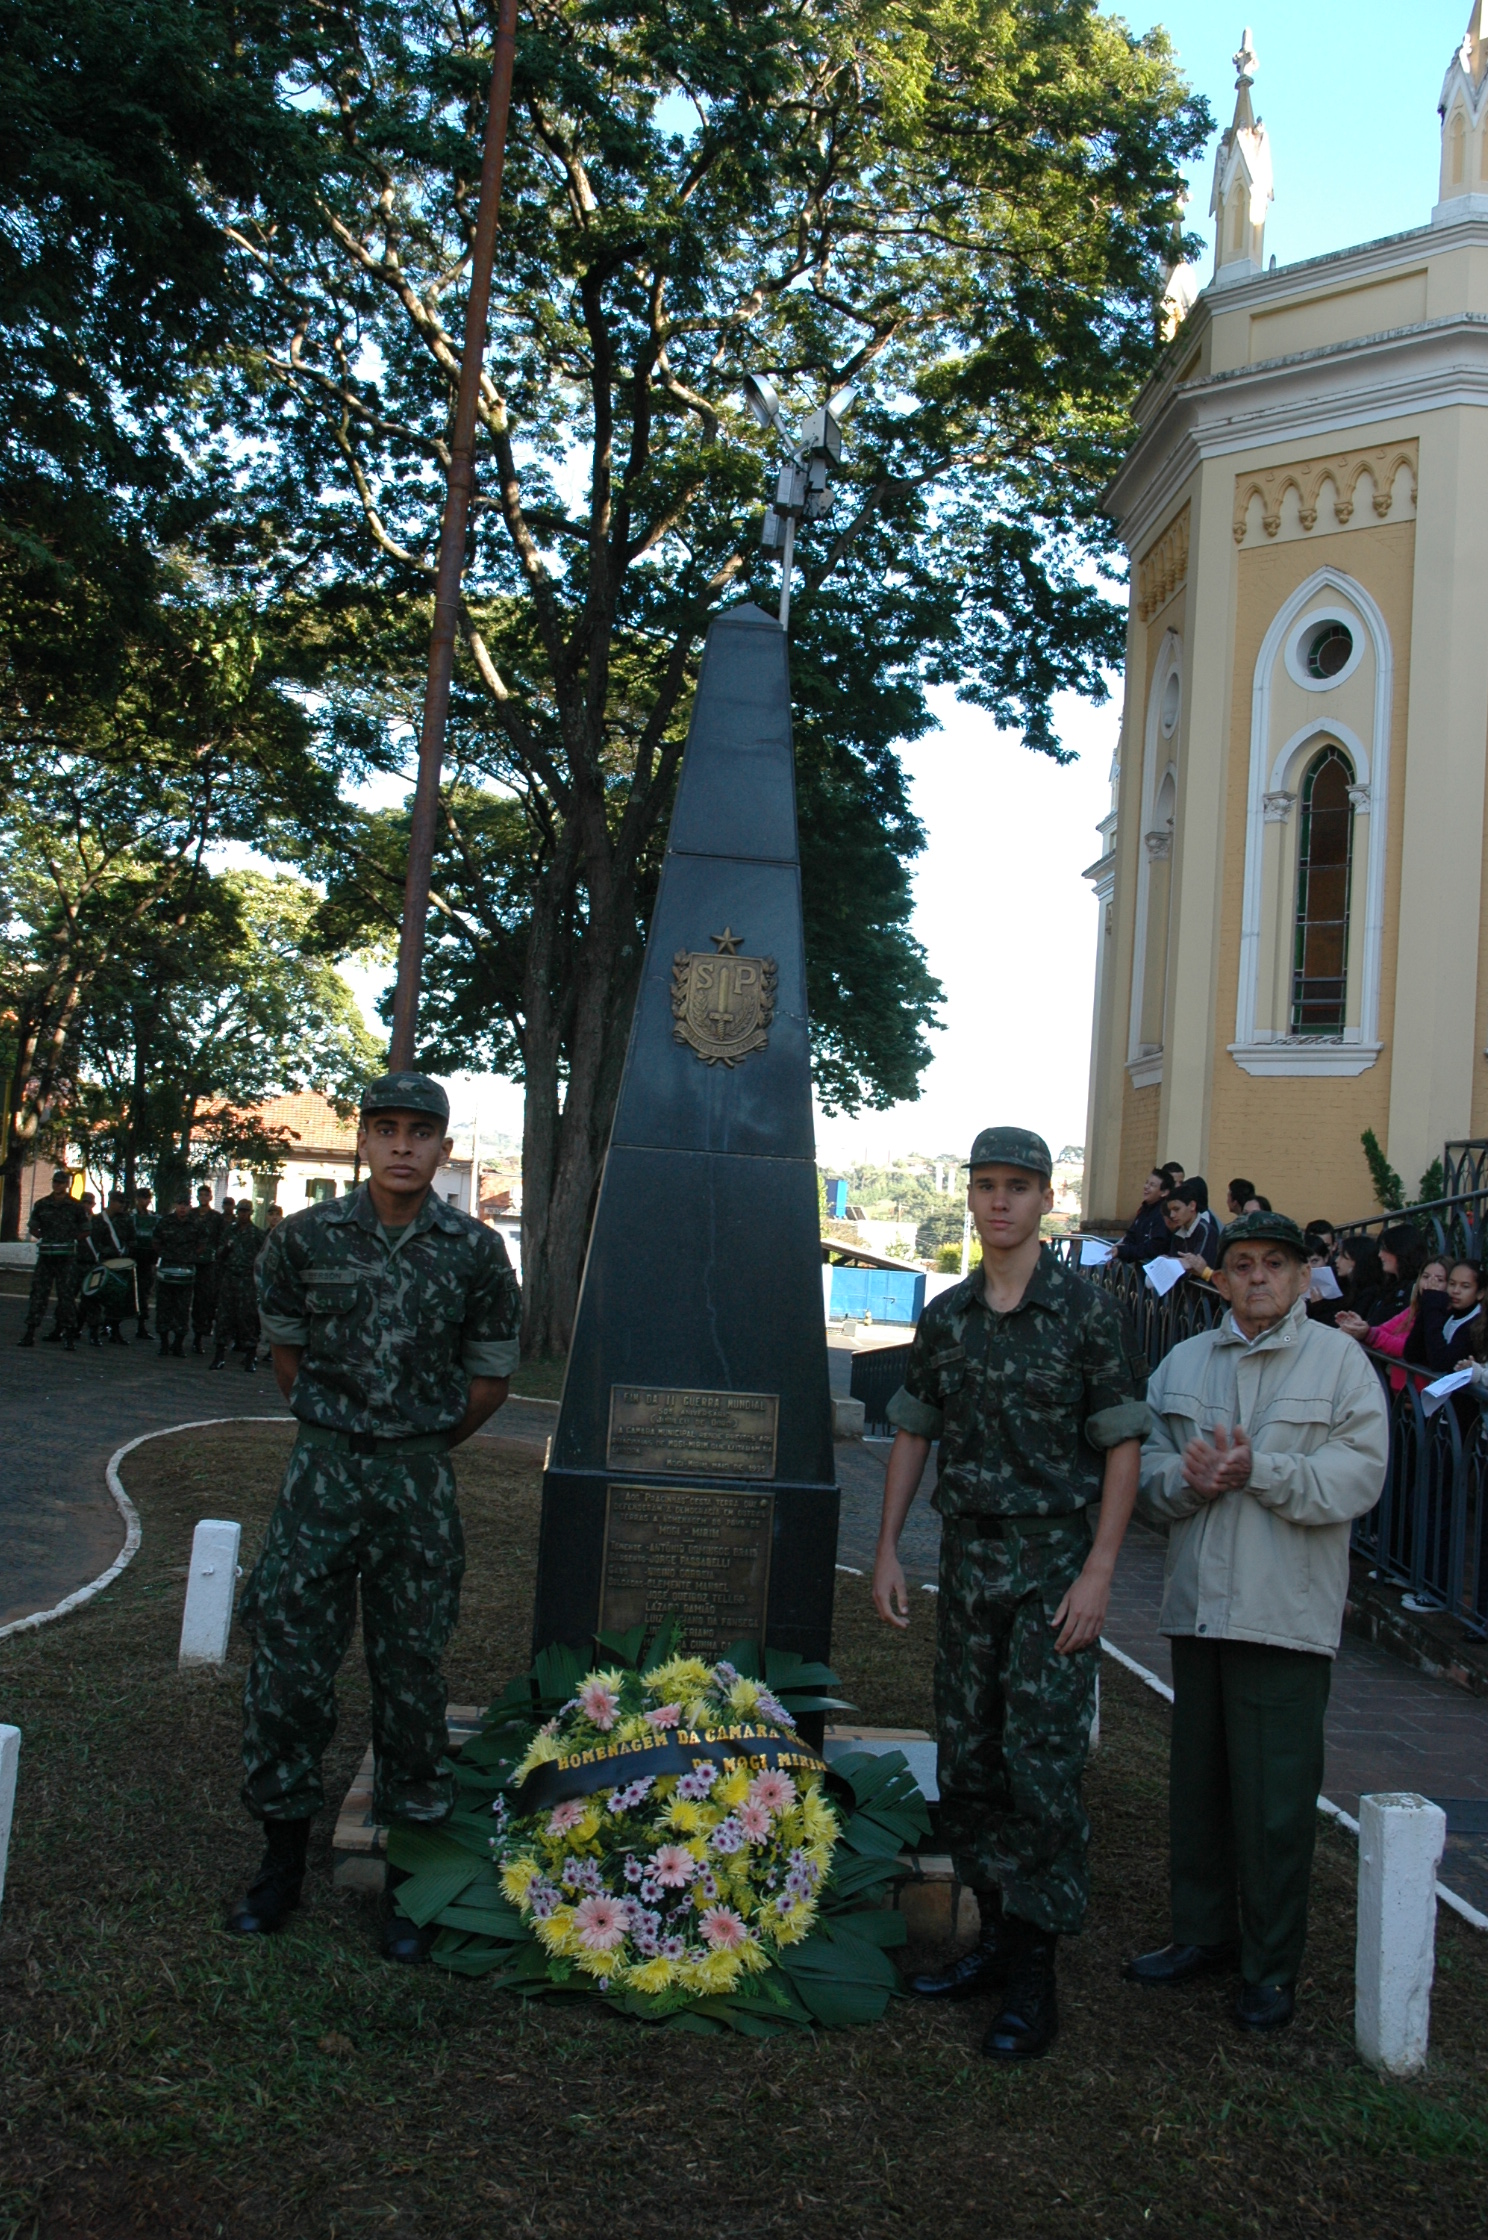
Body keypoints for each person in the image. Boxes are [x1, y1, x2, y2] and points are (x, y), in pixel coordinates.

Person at [228, 1072, 522, 1963]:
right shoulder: (302, 1238)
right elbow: (287, 1356)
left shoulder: (475, 1252)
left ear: (443, 1148)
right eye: (385, 1128)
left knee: (411, 1673)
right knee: (289, 1667)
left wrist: (417, 1443)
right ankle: (280, 1863)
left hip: (416, 1487)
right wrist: (342, 1431)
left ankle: (406, 1880)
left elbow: (490, 1380)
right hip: (320, 1479)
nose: (402, 1145)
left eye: (419, 1132)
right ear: (362, 1139)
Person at [872, 1126, 1149, 2062]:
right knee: (970, 1760)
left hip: (1053, 1569)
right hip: (969, 1567)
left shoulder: (1086, 1313)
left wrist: (1100, 1570)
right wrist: (887, 1550)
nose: (1000, 1201)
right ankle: (992, 1940)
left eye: (1018, 1186)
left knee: (1041, 1770)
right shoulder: (949, 1316)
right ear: (971, 1196)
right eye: (986, 1184)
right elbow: (914, 1430)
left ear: (1045, 1199)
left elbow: (1121, 1443)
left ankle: (1035, 1977)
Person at [1124, 1212, 1388, 2032]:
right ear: (1222, 1276)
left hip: (1286, 1618)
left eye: (1276, 1263)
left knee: (1275, 1803)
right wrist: (1187, 1481)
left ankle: (1270, 1967)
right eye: (1242, 1264)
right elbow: (1144, 1474)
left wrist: (1258, 1470)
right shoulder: (1183, 1362)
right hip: (1199, 1610)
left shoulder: (1340, 1364)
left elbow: (1358, 1476)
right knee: (1199, 1790)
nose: (1259, 1277)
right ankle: (1201, 1935)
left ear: (1303, 1277)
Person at [18, 1170, 87, 1349]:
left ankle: (69, 1336)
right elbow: (33, 1227)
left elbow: (86, 1230)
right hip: (47, 1257)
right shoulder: (42, 1204)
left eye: (61, 1182)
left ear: (67, 1185)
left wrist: (71, 1240)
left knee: (66, 1297)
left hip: (66, 1259)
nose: (57, 1185)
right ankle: (30, 1333)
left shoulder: (76, 1206)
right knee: (38, 1294)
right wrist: (44, 1237)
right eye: (55, 1182)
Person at [210, 1200, 265, 1372]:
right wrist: (227, 1248)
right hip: (229, 1278)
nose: (243, 1214)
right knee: (224, 1317)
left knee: (248, 1318)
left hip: (247, 1280)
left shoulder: (257, 1234)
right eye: (240, 1211)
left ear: (251, 1213)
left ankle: (250, 1357)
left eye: (246, 1211)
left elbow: (264, 1257)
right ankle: (219, 1356)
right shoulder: (230, 1231)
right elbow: (219, 1254)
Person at [153, 1197, 198, 1357]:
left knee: (182, 1308)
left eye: (185, 1205)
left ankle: (178, 1344)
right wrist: (166, 1255)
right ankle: (164, 1344)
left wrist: (188, 1256)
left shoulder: (195, 1224)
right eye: (180, 1204)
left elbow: (202, 1244)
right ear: (175, 1206)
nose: (182, 1208)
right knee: (164, 1307)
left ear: (189, 1207)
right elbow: (156, 1242)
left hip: (186, 1270)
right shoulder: (165, 1222)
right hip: (167, 1268)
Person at [189, 1186, 227, 1355]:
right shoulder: (191, 1215)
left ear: (211, 1197)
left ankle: (199, 1336)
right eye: (201, 1195)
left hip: (209, 1265)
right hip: (190, 1261)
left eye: (206, 1195)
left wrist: (217, 1254)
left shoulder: (216, 1217)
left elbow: (222, 1239)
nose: (203, 1197)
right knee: (185, 1299)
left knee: (204, 1300)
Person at [1163, 1178, 1221, 1275]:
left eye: (1176, 1209)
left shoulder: (1206, 1231)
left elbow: (1196, 1268)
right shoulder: (1178, 1232)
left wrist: (1175, 1262)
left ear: (1192, 1206)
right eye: (1170, 1211)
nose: (1172, 1215)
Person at [1116, 1170, 1173, 1264]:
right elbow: (1131, 1235)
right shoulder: (1144, 1209)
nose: (1146, 1187)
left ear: (1164, 1192)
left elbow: (1154, 1247)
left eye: (1152, 1185)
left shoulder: (1163, 1214)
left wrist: (1124, 1251)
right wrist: (1119, 1250)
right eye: (1146, 1182)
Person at [132, 1187, 159, 1340]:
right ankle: (111, 1326)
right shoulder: (130, 1217)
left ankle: (141, 1326)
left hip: (147, 1262)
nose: (145, 1201)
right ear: (137, 1199)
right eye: (143, 1198)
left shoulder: (154, 1219)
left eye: (147, 1198)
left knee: (144, 1295)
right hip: (131, 1261)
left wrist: (154, 1261)